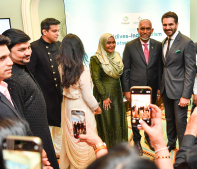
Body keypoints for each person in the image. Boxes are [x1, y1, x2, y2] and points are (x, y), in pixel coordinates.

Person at [2, 29, 59, 169]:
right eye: (22, 50)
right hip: (33, 142)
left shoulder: (20, 69)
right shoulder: (12, 79)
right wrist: (33, 148)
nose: (28, 52)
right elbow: (18, 120)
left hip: (39, 138)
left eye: (28, 48)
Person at [57, 33, 101, 169]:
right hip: (81, 107)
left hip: (68, 106)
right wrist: (96, 108)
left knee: (74, 135)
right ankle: (84, 164)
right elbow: (87, 96)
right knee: (84, 136)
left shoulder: (61, 67)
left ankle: (74, 163)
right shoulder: (83, 70)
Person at [121, 19, 162, 154]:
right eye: (142, 29)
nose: (145, 31)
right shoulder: (130, 46)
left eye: (148, 29)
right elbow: (125, 69)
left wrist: (159, 88)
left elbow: (159, 68)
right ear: (138, 30)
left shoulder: (158, 45)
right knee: (136, 115)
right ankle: (137, 140)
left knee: (149, 114)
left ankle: (148, 137)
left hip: (152, 87)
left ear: (152, 30)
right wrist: (126, 90)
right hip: (136, 88)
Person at [27, 18, 63, 157]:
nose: (57, 34)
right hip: (42, 96)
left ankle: (59, 153)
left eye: (58, 31)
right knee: (44, 129)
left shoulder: (60, 45)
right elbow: (30, 74)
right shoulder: (34, 47)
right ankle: (46, 155)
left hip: (59, 95)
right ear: (44, 31)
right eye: (54, 31)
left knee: (59, 128)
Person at [160, 11, 196, 151]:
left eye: (170, 24)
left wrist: (186, 95)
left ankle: (184, 149)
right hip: (166, 89)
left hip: (180, 92)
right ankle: (171, 143)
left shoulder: (187, 42)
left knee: (180, 122)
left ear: (177, 24)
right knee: (169, 120)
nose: (167, 27)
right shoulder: (164, 41)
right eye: (165, 25)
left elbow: (190, 70)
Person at [90, 33, 127, 149]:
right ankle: (108, 147)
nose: (112, 45)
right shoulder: (96, 59)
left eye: (113, 42)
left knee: (118, 120)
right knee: (108, 122)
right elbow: (96, 79)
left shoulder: (117, 55)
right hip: (105, 95)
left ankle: (119, 145)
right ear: (102, 44)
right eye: (108, 43)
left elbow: (120, 76)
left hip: (117, 94)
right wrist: (104, 97)